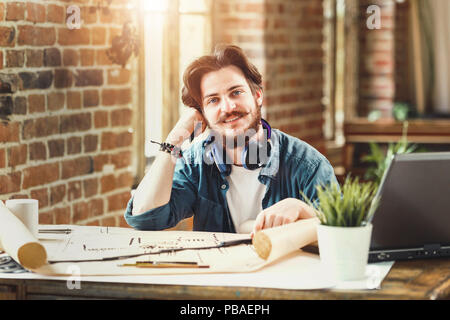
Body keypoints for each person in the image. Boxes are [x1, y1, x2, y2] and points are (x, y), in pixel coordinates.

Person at [125, 44, 337, 234]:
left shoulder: (307, 164)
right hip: (219, 277)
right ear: (202, 113)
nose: (228, 108)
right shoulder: (196, 163)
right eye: (213, 100)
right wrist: (174, 139)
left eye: (236, 93)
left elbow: (343, 233)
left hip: (285, 277)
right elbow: (145, 218)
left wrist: (302, 210)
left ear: (258, 96)